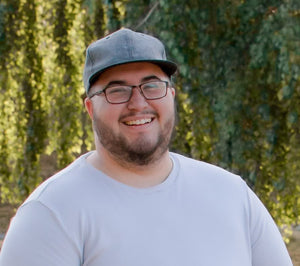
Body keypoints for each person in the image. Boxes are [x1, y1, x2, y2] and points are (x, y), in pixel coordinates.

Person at [0, 28, 293, 266]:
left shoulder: (232, 195)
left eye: (152, 86)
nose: (138, 103)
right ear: (90, 108)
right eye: (117, 91)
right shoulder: (51, 214)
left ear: (171, 96)